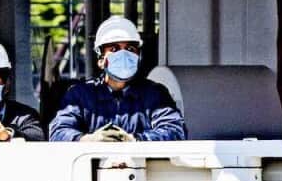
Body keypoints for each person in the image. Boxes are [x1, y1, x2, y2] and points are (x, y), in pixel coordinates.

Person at [49, 16, 186, 142]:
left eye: (130, 48)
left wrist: (135, 140)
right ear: (101, 60)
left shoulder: (155, 94)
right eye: (114, 49)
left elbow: (175, 131)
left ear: (138, 57)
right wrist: (87, 140)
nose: (124, 54)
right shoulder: (80, 95)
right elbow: (58, 132)